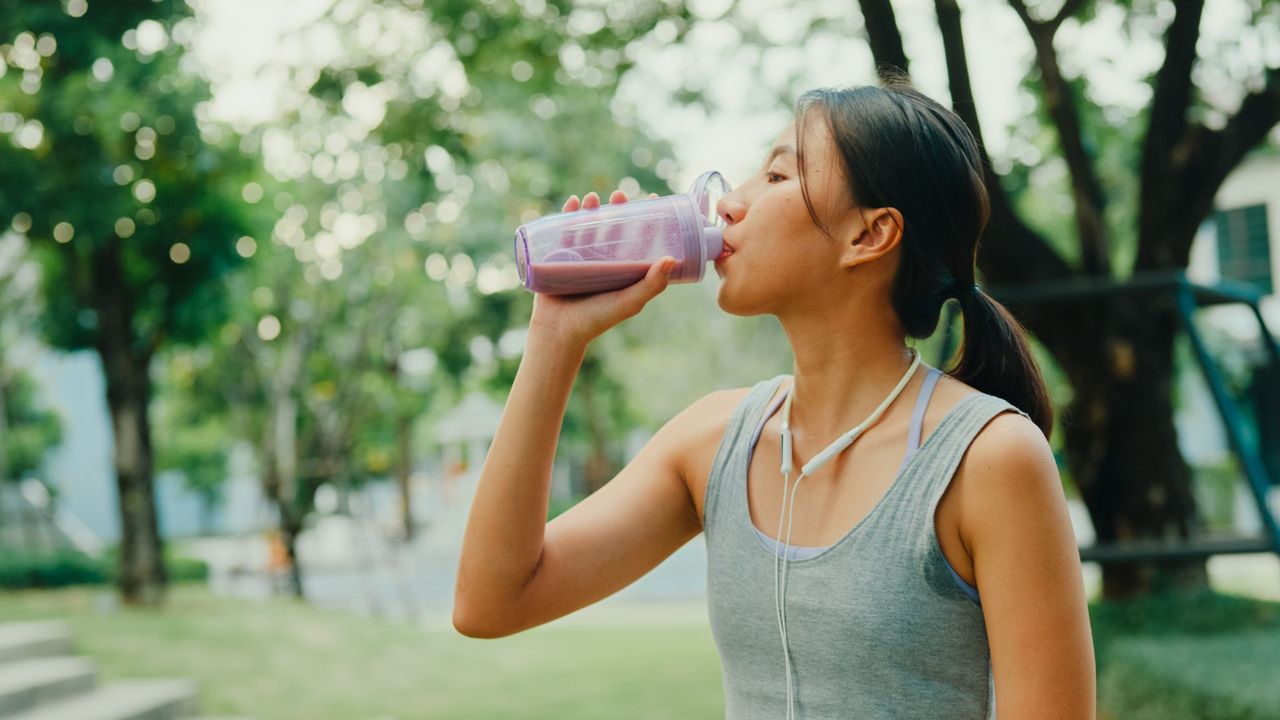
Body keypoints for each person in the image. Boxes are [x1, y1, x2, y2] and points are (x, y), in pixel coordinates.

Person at [453, 79, 1096, 719]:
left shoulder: (988, 460)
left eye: (778, 177)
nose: (730, 204)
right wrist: (554, 336)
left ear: (868, 236)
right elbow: (492, 601)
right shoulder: (712, 442)